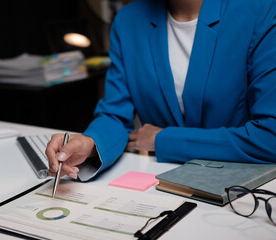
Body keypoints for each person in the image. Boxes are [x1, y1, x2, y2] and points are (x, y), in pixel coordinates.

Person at [46, 0, 276, 181]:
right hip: (158, 183)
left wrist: (162, 140)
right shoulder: (128, 20)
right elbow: (114, 114)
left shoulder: (261, 11)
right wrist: (91, 144)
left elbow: (270, 137)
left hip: (241, 187)